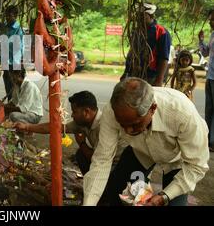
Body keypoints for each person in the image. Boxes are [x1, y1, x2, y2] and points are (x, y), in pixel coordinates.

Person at [83, 77, 209, 206]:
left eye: (135, 124)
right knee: (117, 191)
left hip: (177, 160)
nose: (128, 131)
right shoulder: (113, 111)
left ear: (153, 108)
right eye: (122, 125)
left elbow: (196, 166)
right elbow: (102, 160)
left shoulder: (182, 113)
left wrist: (164, 196)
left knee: (174, 202)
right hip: (140, 152)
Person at [13, 91, 126, 175]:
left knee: (83, 153)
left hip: (116, 166)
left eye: (74, 112)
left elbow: (96, 159)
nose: (72, 115)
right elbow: (55, 127)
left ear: (86, 112)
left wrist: (81, 143)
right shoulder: (83, 123)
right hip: (103, 161)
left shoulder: (104, 127)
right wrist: (27, 126)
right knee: (81, 155)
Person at [121, 3, 172, 86]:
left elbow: (164, 58)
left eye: (142, 16)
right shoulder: (136, 31)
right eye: (138, 15)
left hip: (151, 76)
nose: (139, 18)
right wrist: (126, 72)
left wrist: (159, 81)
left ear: (151, 16)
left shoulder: (162, 32)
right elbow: (132, 52)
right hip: (134, 74)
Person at [0, 5, 24, 100]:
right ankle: (10, 108)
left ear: (15, 16)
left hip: (15, 64)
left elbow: (18, 46)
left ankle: (15, 109)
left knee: (15, 90)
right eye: (6, 16)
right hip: (6, 63)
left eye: (10, 16)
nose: (7, 18)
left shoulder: (18, 29)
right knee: (8, 88)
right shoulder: (5, 28)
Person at [198, 8, 214, 152]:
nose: (210, 22)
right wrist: (201, 41)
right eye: (210, 19)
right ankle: (208, 140)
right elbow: (205, 53)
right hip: (210, 76)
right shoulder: (213, 34)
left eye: (212, 19)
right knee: (209, 109)